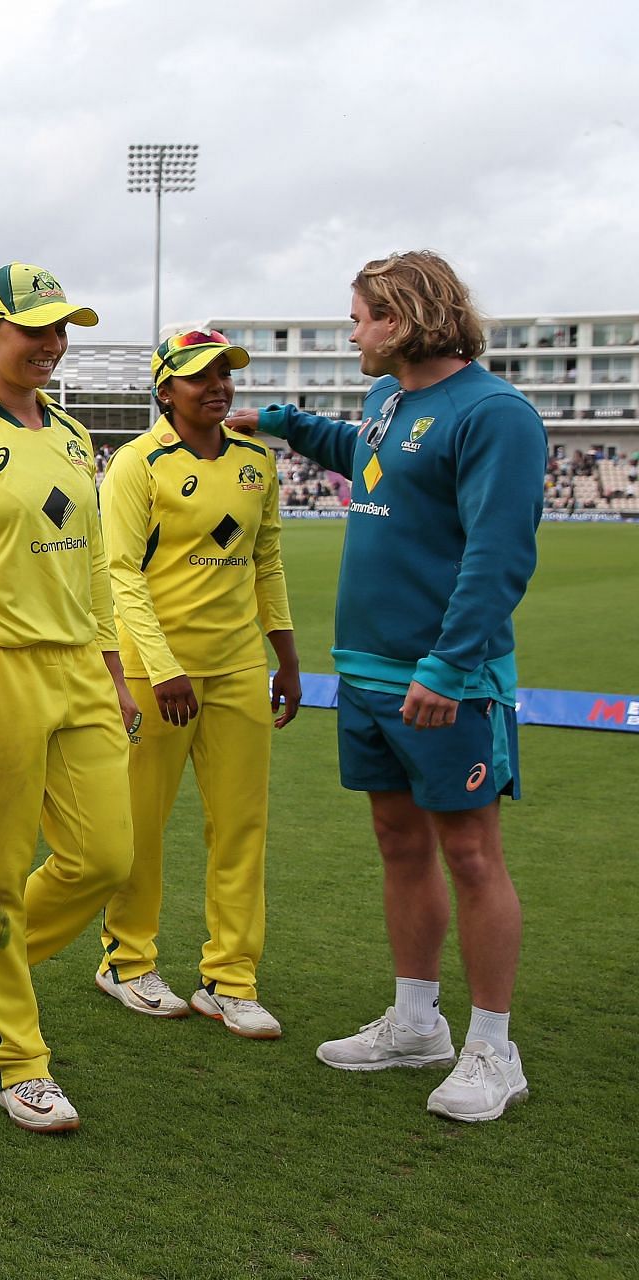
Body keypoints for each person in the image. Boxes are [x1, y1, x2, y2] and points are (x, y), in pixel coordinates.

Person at [228, 251, 545, 1122]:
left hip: (447, 680)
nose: (354, 333)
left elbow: (499, 554)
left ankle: (493, 1048)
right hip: (365, 674)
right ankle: (417, 1024)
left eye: (362, 317)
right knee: (399, 841)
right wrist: (284, 421)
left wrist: (448, 665)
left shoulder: (495, 414)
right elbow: (365, 457)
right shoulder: (387, 401)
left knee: (473, 854)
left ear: (402, 320)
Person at [0, 264, 135, 1133]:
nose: (52, 344)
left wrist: (116, 667)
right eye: (35, 329)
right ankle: (19, 1060)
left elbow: (93, 562)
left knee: (104, 859)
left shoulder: (75, 433)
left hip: (81, 664)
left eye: (61, 330)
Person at [93, 329, 301, 1038]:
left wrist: (287, 655)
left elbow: (265, 561)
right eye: (198, 376)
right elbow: (120, 573)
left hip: (240, 665)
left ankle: (230, 979)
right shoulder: (136, 464)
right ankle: (126, 961)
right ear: (164, 390)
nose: (217, 385)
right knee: (139, 827)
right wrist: (163, 666)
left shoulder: (255, 462)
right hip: (159, 674)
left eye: (224, 373)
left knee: (241, 827)